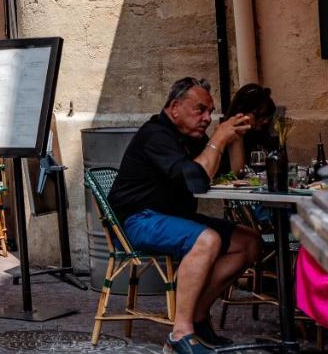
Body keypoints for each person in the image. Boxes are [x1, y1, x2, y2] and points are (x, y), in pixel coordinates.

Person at [108, 77, 260, 352]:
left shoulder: (192, 137)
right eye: (199, 110)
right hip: (138, 220)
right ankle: (180, 334)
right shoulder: (156, 135)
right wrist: (218, 138)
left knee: (248, 242)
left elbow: (229, 172)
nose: (206, 118)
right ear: (175, 107)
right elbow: (197, 180)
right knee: (208, 239)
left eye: (210, 112)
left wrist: (234, 134)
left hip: (174, 218)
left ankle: (198, 316)